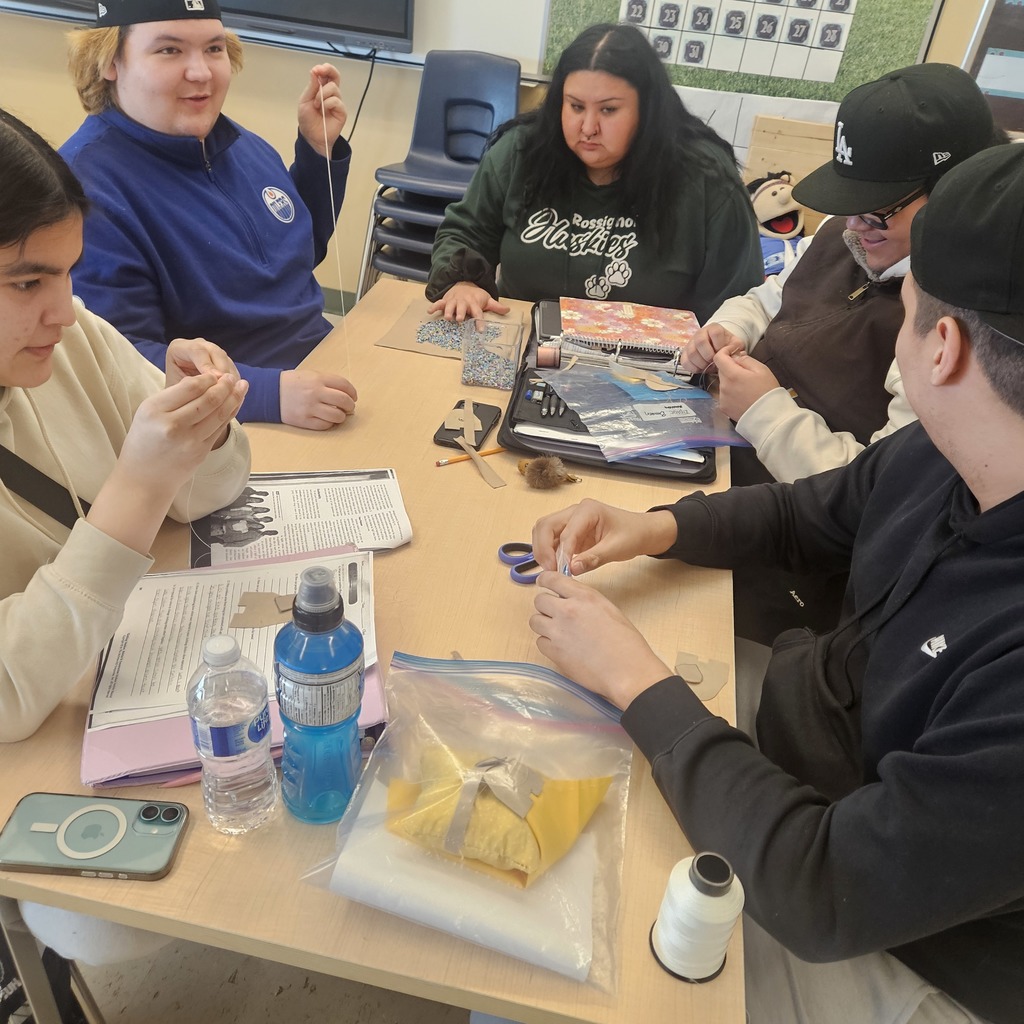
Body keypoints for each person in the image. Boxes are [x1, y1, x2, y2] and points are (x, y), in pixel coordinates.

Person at [527, 143, 1024, 1024]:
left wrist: (639, 679)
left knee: (560, 938)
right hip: (817, 758)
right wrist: (654, 527)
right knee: (551, 740)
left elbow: (821, 886)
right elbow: (809, 513)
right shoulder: (956, 453)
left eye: (904, 313)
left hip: (907, 951)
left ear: (941, 347)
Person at [0, 105, 250, 973]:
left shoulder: (66, 343)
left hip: (119, 695)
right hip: (44, 762)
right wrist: (140, 489)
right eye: (27, 283)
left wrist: (205, 425)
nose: (65, 311)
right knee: (123, 924)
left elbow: (215, 494)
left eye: (66, 274)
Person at [681, 64, 1004, 644]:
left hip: (801, 565)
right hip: (730, 471)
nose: (856, 226)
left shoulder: (945, 331)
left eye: (879, 209)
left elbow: (874, 499)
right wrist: (729, 327)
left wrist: (765, 411)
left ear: (959, 194)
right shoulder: (849, 230)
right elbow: (771, 294)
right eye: (848, 201)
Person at [59, 0, 358, 430]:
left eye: (214, 49)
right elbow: (119, 363)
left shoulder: (242, 145)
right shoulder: (85, 190)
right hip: (229, 423)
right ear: (110, 61)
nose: (201, 72)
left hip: (320, 377)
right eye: (169, 50)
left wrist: (316, 155)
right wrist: (268, 396)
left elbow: (295, 258)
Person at [425, 22, 763, 325]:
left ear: (647, 110)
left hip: (651, 372)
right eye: (575, 106)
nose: (588, 128)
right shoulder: (521, 151)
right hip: (525, 347)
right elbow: (465, 232)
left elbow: (736, 306)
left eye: (609, 110)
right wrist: (462, 283)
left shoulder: (706, 177)